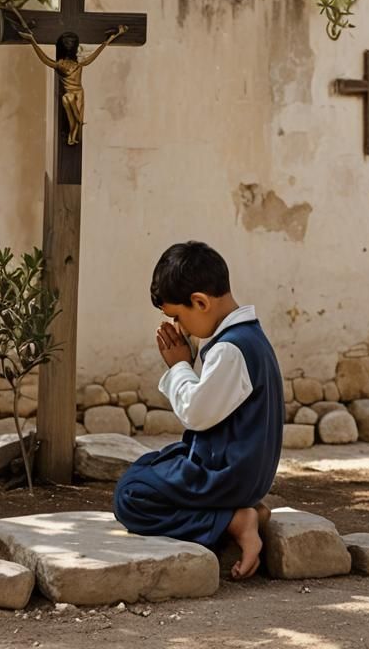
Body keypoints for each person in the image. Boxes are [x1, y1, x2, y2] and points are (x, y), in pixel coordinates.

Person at [113, 241, 285, 579]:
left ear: (200, 302)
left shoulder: (231, 350)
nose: (181, 328)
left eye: (178, 317)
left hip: (226, 474)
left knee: (131, 497)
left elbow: (195, 413)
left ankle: (236, 521)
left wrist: (178, 366)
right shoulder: (247, 338)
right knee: (147, 466)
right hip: (236, 469)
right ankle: (235, 512)